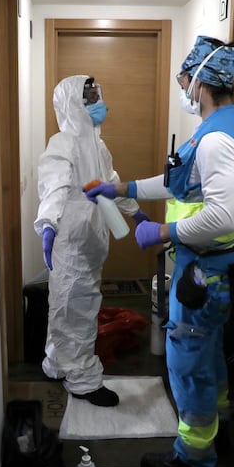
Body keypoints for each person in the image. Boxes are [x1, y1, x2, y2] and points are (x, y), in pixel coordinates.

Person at [85, 36, 234, 467]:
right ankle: (217, 431)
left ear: (200, 82)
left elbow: (218, 216)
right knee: (210, 357)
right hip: (219, 267)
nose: (182, 86)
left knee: (188, 367)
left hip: (207, 272)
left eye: (184, 78)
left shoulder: (217, 139)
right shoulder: (226, 125)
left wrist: (161, 232)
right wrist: (123, 190)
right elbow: (182, 182)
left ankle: (194, 459)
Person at [34, 75, 149, 407]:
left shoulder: (97, 145)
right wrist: (48, 224)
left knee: (68, 306)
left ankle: (56, 364)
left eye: (98, 94)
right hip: (70, 240)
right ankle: (83, 380)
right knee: (77, 308)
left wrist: (136, 211)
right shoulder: (63, 142)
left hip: (90, 238)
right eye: (89, 97)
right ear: (73, 103)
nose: (98, 102)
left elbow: (109, 182)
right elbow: (53, 185)